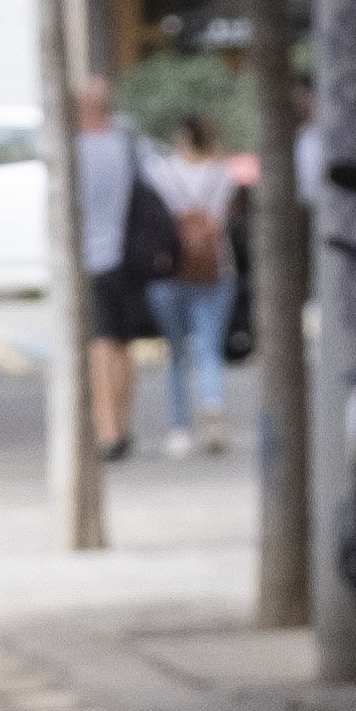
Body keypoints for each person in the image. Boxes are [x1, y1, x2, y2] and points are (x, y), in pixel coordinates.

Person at [65, 72, 154, 460]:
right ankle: (122, 424)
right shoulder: (128, 144)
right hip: (129, 258)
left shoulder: (73, 150)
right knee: (122, 345)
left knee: (100, 344)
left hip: (91, 259)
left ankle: (108, 430)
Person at [146, 110, 240, 457]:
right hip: (216, 267)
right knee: (209, 347)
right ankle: (212, 406)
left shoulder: (163, 171)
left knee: (176, 352)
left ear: (183, 136)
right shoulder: (222, 174)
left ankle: (180, 428)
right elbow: (222, 219)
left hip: (170, 268)